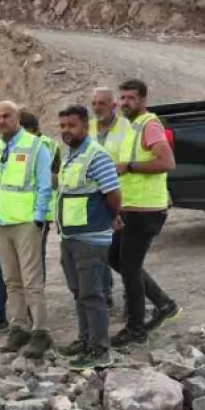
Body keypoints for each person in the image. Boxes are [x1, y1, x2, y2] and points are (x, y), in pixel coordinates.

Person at [110, 78, 181, 346]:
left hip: (147, 210)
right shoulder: (132, 126)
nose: (124, 102)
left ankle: (136, 329)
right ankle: (164, 304)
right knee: (116, 258)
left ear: (142, 100)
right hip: (131, 207)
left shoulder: (149, 125)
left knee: (129, 267)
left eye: (130, 98)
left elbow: (166, 161)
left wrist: (128, 167)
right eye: (123, 97)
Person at [53, 104, 122, 370]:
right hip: (71, 237)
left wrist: (112, 215)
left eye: (71, 125)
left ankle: (100, 350)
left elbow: (113, 193)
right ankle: (84, 341)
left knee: (92, 295)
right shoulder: (70, 154)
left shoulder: (96, 156)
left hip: (91, 239)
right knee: (79, 292)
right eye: (62, 126)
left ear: (85, 126)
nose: (66, 131)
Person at [0, 100, 55, 359]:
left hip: (27, 223)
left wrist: (38, 219)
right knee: (11, 281)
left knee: (32, 281)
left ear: (17, 118)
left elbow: (45, 186)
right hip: (3, 224)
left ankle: (41, 331)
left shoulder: (36, 146)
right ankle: (19, 327)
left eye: (6, 116)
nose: (2, 121)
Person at [89, 87, 128, 307]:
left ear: (113, 106)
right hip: (96, 199)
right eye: (94, 103)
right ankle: (106, 294)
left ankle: (130, 294)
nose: (96, 108)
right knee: (99, 249)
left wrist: (102, 171)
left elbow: (125, 164)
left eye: (102, 103)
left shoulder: (126, 128)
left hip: (120, 197)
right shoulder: (90, 128)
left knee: (122, 254)